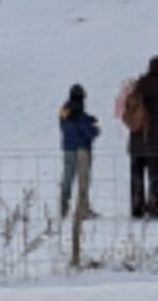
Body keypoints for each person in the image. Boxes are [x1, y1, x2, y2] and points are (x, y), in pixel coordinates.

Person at [125, 56, 158, 220]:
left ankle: (137, 209)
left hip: (136, 140)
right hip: (155, 142)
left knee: (136, 176)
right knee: (154, 177)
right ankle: (154, 208)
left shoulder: (137, 86)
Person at [59, 83, 100, 219]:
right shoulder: (80, 111)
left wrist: (88, 119)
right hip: (82, 149)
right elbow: (85, 130)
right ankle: (83, 209)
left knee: (67, 177)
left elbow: (66, 125)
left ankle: (63, 205)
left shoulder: (64, 110)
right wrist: (94, 130)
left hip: (68, 148)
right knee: (83, 180)